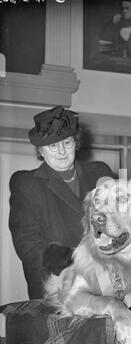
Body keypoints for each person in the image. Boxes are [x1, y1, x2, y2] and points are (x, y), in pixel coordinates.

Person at [9, 105, 113, 299]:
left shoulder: (100, 172)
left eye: (67, 142)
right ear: (41, 151)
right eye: (53, 145)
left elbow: (116, 223)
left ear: (76, 142)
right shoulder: (26, 183)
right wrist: (78, 264)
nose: (62, 151)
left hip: (105, 284)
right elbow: (28, 245)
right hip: (58, 287)